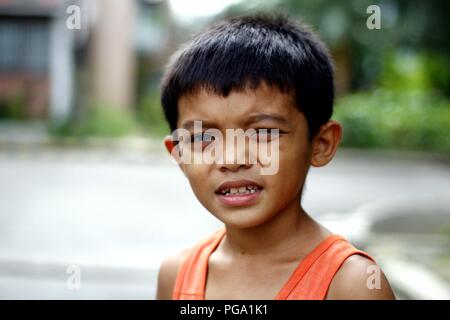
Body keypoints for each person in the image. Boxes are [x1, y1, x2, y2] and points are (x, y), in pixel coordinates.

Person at [156, 14, 396, 300]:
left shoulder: (350, 285)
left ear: (321, 144)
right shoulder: (176, 275)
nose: (232, 159)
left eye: (263, 132)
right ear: (180, 154)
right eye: (203, 137)